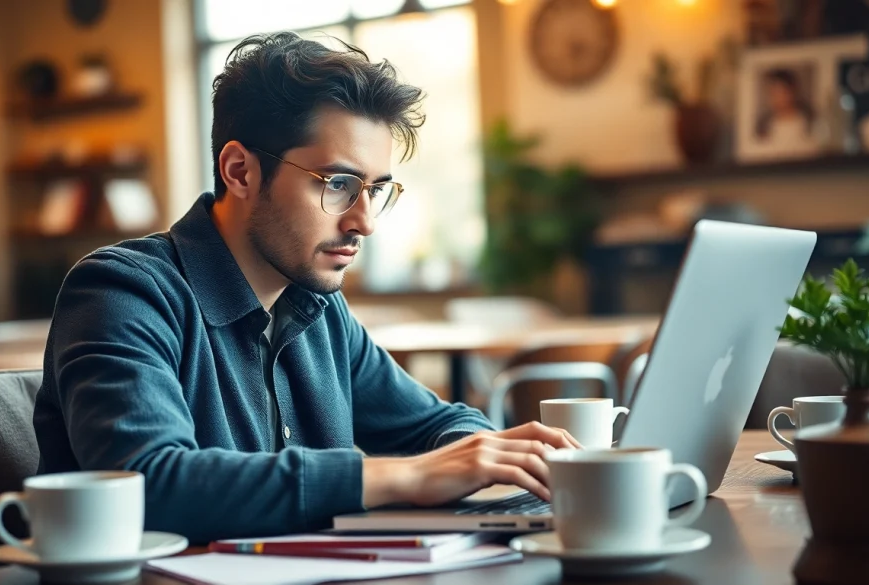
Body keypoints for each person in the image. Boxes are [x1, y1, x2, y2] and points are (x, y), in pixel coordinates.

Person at [32, 32, 579, 544]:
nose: (365, 222)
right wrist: (402, 477)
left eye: (376, 190)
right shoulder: (121, 292)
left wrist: (493, 453)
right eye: (339, 185)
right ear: (240, 171)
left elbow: (440, 427)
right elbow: (148, 483)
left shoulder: (318, 308)